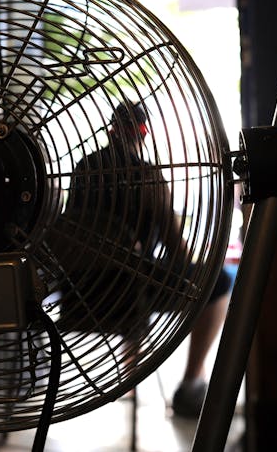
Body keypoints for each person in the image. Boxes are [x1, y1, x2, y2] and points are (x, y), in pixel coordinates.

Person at [65, 100, 235, 416]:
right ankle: (192, 381)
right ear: (143, 132)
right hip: (128, 297)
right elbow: (174, 248)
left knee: (134, 271)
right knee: (219, 279)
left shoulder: (82, 169)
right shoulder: (148, 177)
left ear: (110, 130)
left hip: (78, 296)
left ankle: (129, 378)